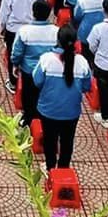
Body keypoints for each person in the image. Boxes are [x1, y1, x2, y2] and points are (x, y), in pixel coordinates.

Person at [32, 35, 92, 170]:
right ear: (75, 42)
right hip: (71, 112)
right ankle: (64, 167)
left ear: (58, 41)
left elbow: (37, 81)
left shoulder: (46, 59)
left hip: (48, 110)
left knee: (50, 140)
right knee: (67, 141)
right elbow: (86, 86)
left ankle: (50, 167)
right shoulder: (82, 62)